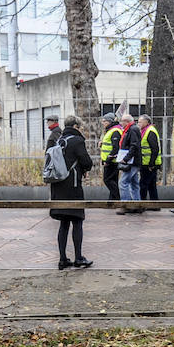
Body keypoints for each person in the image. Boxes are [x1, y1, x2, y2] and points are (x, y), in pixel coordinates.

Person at [49, 116, 94, 269]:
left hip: (57, 185)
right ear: (75, 126)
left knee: (63, 223)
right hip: (72, 186)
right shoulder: (77, 141)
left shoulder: (59, 140)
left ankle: (62, 259)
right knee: (77, 221)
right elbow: (87, 161)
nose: (81, 129)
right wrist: (85, 169)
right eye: (80, 127)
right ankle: (79, 258)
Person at [116, 114, 143, 214]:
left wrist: (126, 158)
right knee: (134, 183)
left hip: (132, 162)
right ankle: (137, 204)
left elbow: (134, 146)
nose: (120, 123)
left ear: (126, 121)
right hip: (134, 161)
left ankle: (126, 205)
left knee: (123, 183)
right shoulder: (132, 129)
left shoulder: (132, 130)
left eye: (122, 121)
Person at [138, 114, 162, 206]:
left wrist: (151, 164)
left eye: (140, 121)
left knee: (143, 184)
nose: (138, 123)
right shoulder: (145, 130)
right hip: (146, 162)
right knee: (151, 185)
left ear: (147, 122)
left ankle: (142, 203)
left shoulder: (150, 131)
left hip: (149, 163)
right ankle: (154, 204)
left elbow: (154, 149)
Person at [99, 115, 122, 204]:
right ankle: (112, 200)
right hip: (110, 160)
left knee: (107, 180)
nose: (103, 123)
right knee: (113, 180)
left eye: (104, 121)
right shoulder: (111, 130)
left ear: (109, 122)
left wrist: (108, 160)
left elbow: (115, 148)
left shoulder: (115, 131)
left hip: (111, 161)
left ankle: (117, 198)